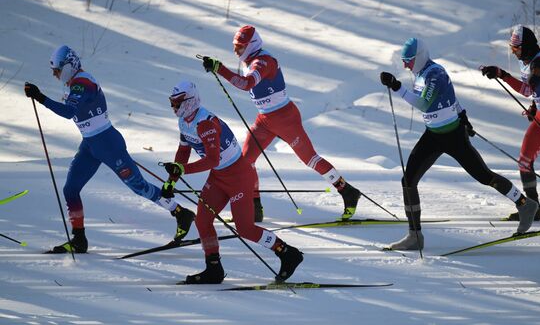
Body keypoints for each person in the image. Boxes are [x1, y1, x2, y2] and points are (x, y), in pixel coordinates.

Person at [24, 45, 195, 253]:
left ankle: (180, 213)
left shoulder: (82, 83)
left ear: (68, 66)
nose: (54, 74)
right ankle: (79, 239)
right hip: (90, 145)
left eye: (57, 70)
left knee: (138, 186)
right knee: (70, 189)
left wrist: (40, 97)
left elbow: (69, 112)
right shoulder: (73, 83)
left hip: (108, 144)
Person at [380, 37, 538, 250]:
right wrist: (463, 115)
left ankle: (524, 204)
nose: (405, 65)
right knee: (408, 181)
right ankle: (414, 236)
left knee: (484, 176)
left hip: (453, 136)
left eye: (408, 60)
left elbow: (425, 104)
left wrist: (397, 87)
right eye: (404, 61)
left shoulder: (434, 73)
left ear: (419, 57)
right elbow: (450, 97)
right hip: (433, 135)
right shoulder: (420, 75)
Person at [201, 25, 361, 222]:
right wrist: (221, 68)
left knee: (310, 159)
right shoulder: (249, 59)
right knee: (245, 161)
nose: (236, 51)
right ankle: (254, 207)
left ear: (252, 45)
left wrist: (220, 69)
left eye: (240, 47)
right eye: (235, 46)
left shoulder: (263, 61)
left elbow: (247, 84)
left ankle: (348, 192)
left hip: (285, 118)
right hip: (265, 120)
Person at [163, 80, 303, 284]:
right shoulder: (185, 121)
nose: (174, 108)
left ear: (189, 101)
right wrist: (171, 182)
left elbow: (212, 159)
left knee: (245, 229)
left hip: (238, 176)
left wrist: (183, 170)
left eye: (177, 103)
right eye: (172, 103)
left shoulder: (205, 124)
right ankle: (213, 269)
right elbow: (183, 151)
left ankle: (287, 253)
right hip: (219, 177)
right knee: (202, 220)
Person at [480, 25, 540, 221]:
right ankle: (533, 208)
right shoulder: (527, 61)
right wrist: (535, 107)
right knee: (524, 162)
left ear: (526, 46)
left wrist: (503, 75)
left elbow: (529, 89)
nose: (514, 52)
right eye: (511, 49)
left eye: (516, 48)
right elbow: (538, 92)